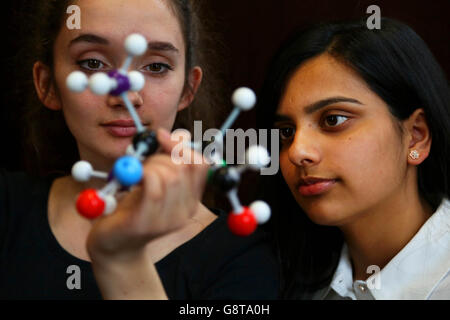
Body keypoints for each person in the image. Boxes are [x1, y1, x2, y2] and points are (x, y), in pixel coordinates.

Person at [0, 0, 279, 299]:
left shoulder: (240, 258)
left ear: (188, 89)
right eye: (92, 63)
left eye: (157, 66)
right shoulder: (7, 206)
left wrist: (121, 258)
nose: (127, 96)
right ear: (47, 84)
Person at [257, 17, 450, 300]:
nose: (297, 152)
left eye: (333, 120)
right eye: (286, 132)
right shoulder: (276, 277)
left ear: (416, 136)